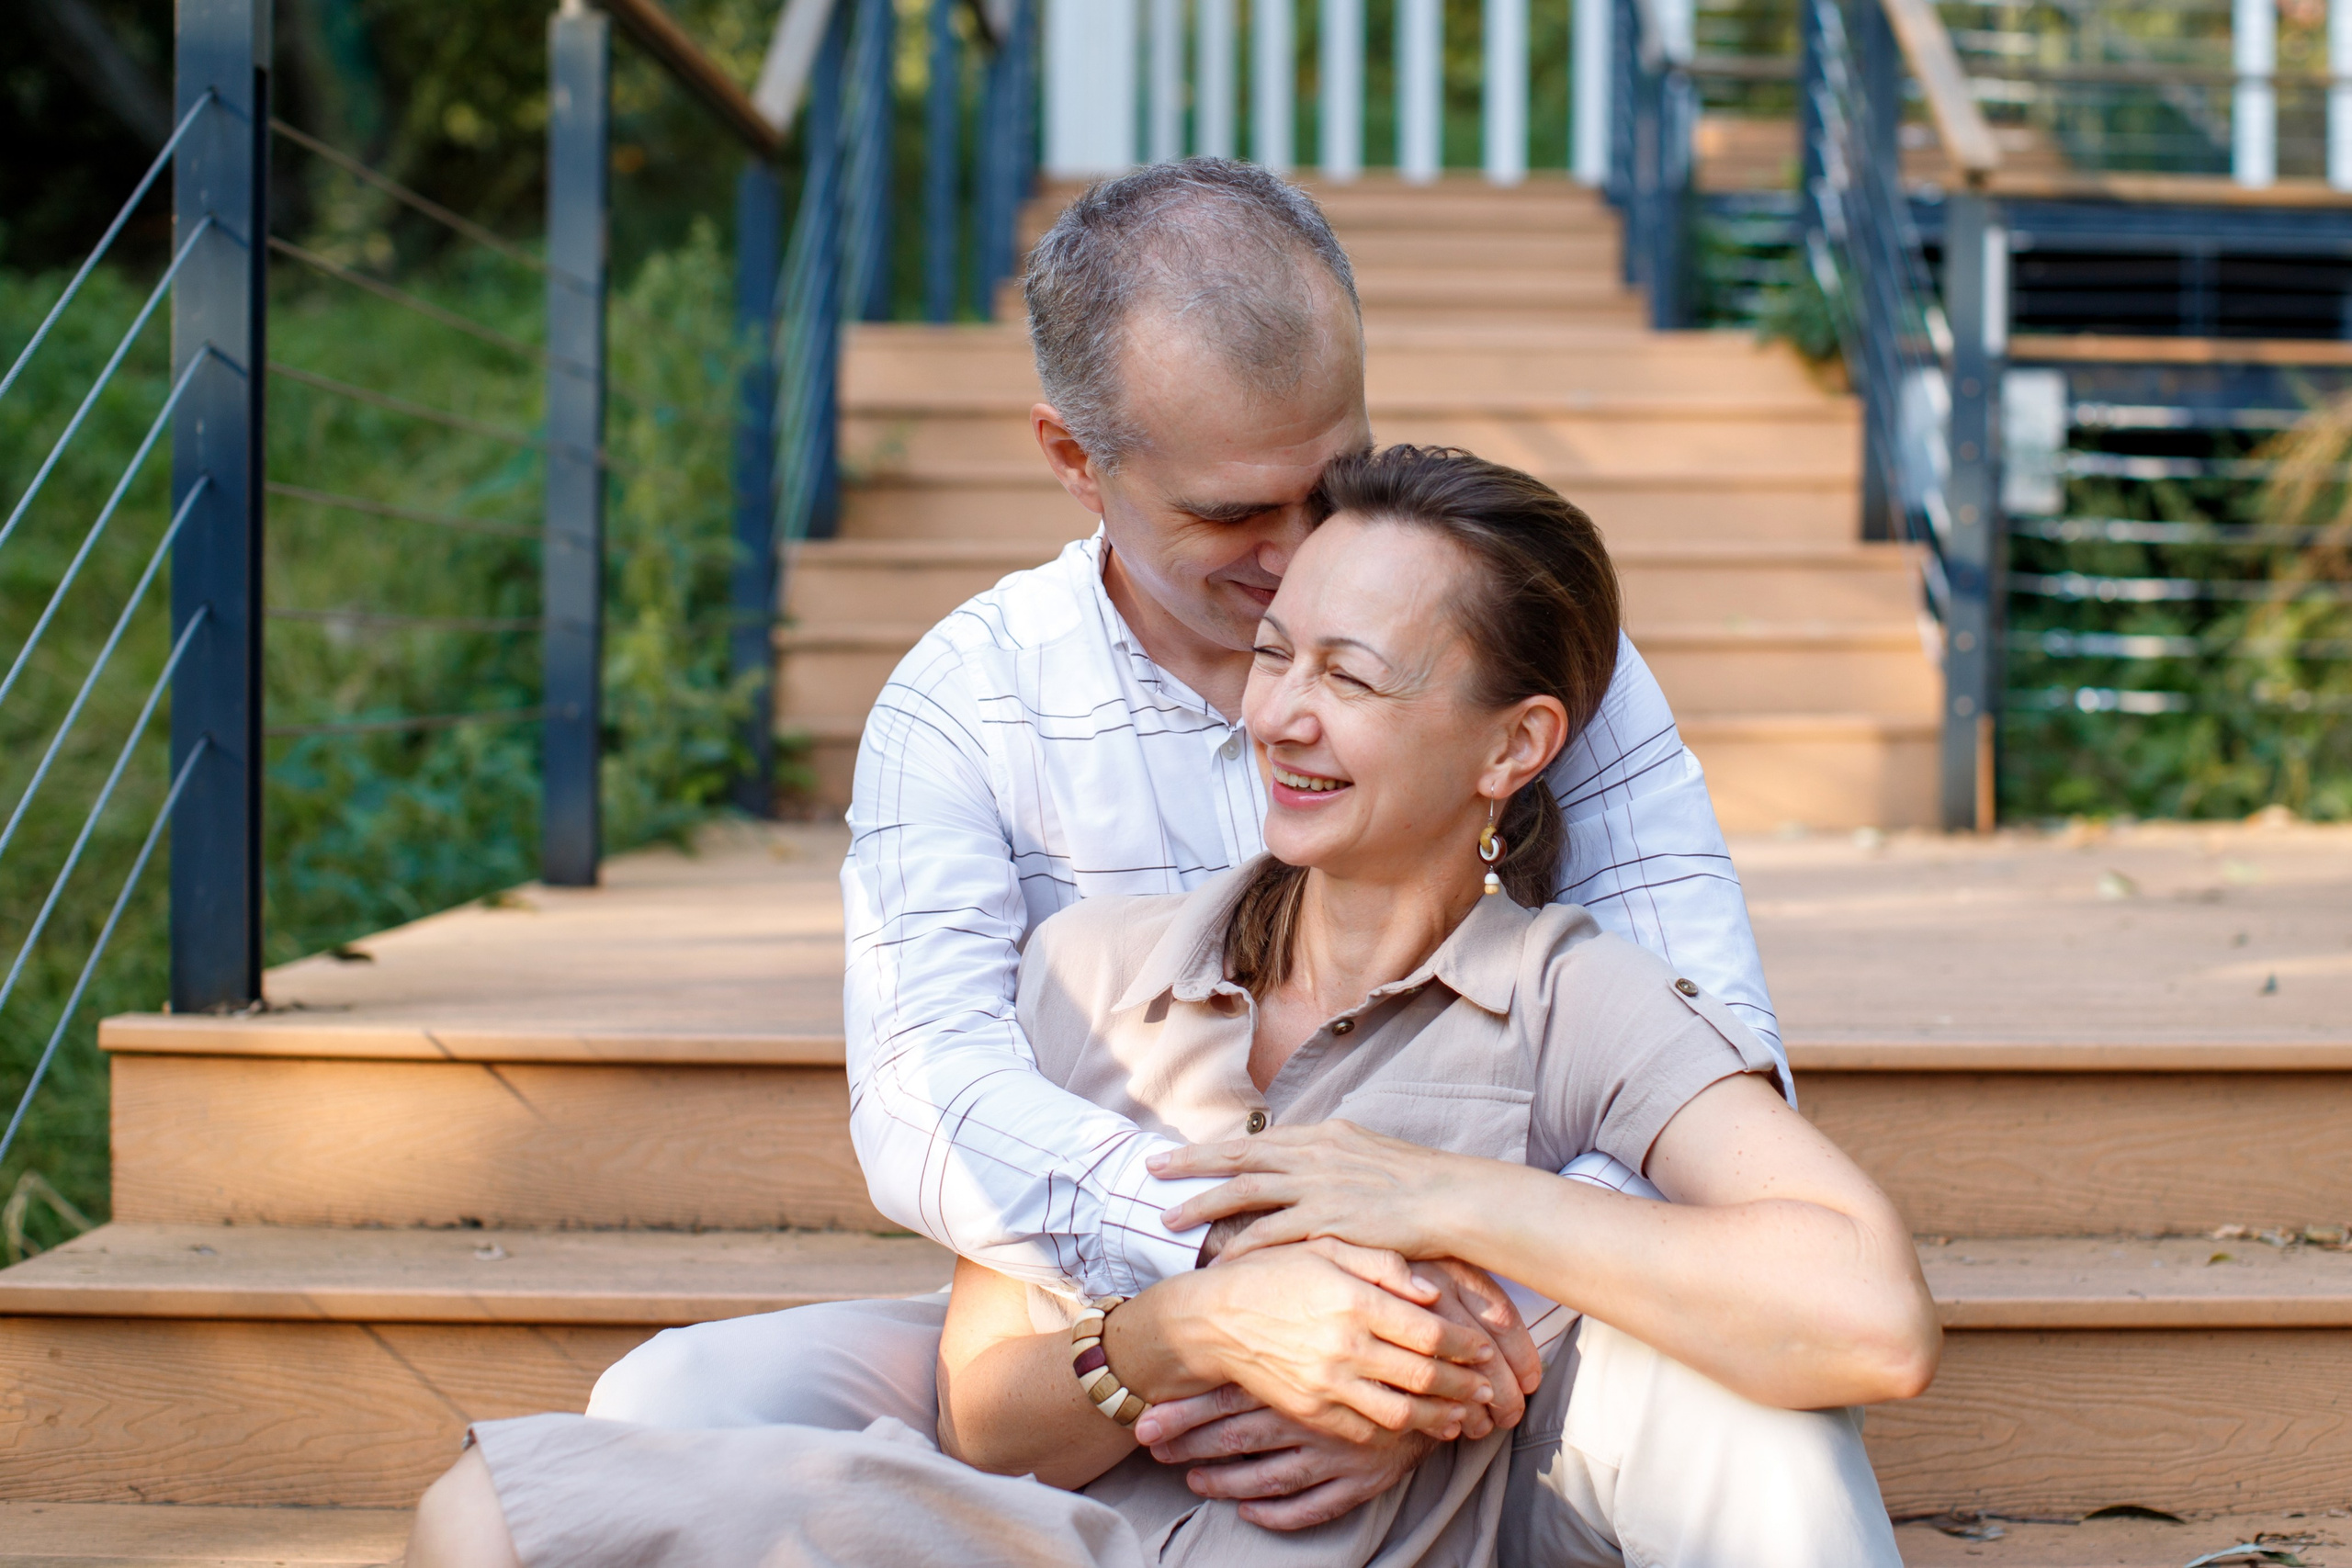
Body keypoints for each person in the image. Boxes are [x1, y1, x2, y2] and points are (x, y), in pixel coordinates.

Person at [408, 447, 1936, 1568]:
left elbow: (1866, 1319)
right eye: (1276, 652)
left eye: (1353, 675)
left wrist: (1450, 1206)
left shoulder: (1571, 994)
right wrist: (1195, 1327)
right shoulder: (1099, 964)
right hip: (1046, 1541)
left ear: (1511, 746)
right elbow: (995, 1413)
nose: (1281, 712)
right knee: (486, 1516)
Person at [576, 156, 1792, 1529]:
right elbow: (926, 1100)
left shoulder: (1517, 641)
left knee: (1764, 1408)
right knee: (661, 1418)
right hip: (1101, 1312)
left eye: (1330, 481)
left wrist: (1430, 1333)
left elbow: (1722, 1034)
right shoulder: (966, 701)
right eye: (1230, 516)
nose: (1296, 550)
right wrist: (1248, 1292)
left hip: (1502, 1308)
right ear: (1072, 460)